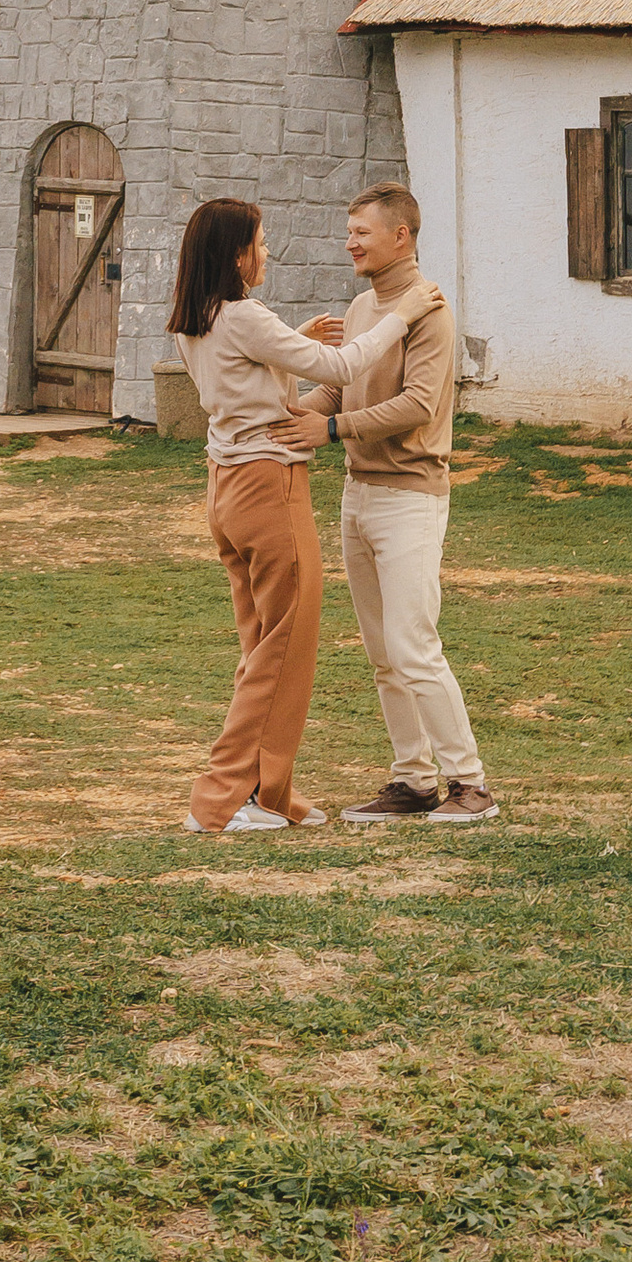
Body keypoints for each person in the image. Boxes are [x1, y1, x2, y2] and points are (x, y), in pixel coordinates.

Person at [167, 197, 409, 840]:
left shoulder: (195, 318)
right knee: (285, 646)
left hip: (227, 488)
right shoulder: (244, 315)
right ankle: (221, 800)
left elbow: (241, 381)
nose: (267, 253)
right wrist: (402, 316)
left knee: (261, 644)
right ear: (236, 254)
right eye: (262, 243)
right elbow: (341, 367)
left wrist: (288, 343)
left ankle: (267, 793)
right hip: (269, 488)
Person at [306, 182, 497, 825]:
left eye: (361, 230)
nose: (350, 241)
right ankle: (412, 781)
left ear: (401, 237)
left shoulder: (431, 312)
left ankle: (469, 786)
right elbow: (339, 388)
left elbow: (418, 404)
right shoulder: (363, 308)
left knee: (414, 645)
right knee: (383, 652)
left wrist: (330, 432)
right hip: (357, 494)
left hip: (410, 498)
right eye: (350, 229)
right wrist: (279, 421)